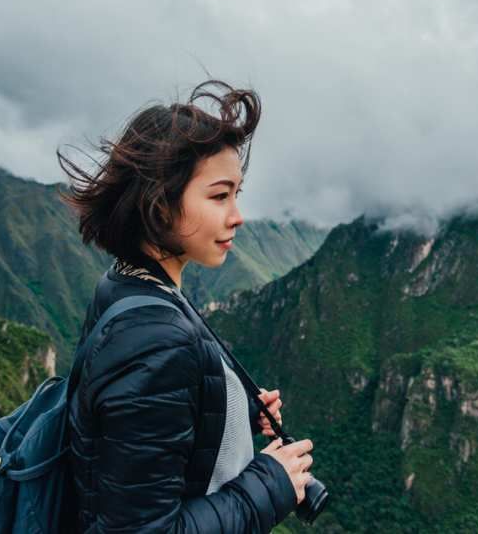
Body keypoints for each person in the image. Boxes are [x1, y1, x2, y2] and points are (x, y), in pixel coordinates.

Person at [57, 81, 313, 532]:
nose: (237, 215)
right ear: (159, 205)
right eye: (219, 196)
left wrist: (231, 411)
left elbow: (144, 425)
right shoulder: (155, 342)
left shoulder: (127, 284)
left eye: (237, 193)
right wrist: (272, 483)